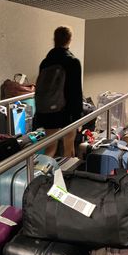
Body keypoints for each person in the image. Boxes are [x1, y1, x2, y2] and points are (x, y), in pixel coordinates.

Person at [35, 26, 83, 157]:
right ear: (69, 40)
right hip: (66, 111)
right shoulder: (72, 61)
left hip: (47, 110)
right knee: (69, 146)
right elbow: (76, 92)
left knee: (50, 148)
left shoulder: (45, 62)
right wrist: (78, 117)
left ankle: (41, 175)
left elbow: (41, 89)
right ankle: (67, 175)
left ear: (54, 39)